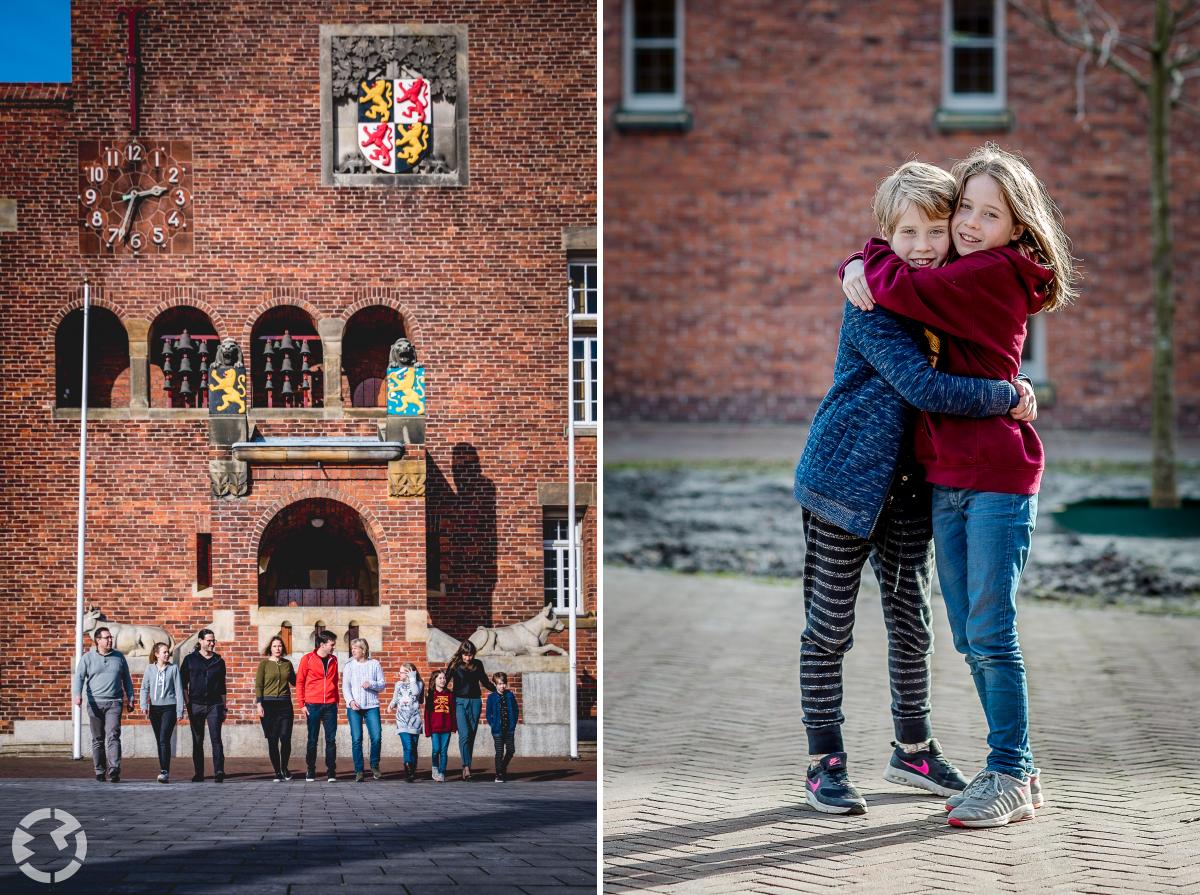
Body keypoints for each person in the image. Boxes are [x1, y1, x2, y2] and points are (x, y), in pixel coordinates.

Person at [840, 143, 1078, 829]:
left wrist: (862, 260)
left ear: (1018, 228)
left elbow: (904, 288)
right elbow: (902, 275)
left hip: (997, 473)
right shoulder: (962, 265)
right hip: (948, 474)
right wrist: (856, 260)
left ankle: (1011, 769)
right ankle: (1013, 767)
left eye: (988, 213)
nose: (970, 224)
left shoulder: (998, 274)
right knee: (973, 636)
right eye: (965, 208)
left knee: (991, 631)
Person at [794, 161, 1037, 816]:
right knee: (829, 625)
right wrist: (1008, 394)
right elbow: (926, 388)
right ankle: (825, 759)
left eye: (936, 230)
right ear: (887, 235)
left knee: (912, 621)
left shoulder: (941, 294)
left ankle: (913, 747)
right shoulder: (873, 304)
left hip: (909, 486)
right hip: (843, 482)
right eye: (907, 233)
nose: (925, 245)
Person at [72, 626, 135, 782]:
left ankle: (114, 769)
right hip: (95, 703)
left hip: (114, 702)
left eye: (110, 637)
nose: (110, 640)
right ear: (98, 640)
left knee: (113, 735)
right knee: (98, 738)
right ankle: (100, 770)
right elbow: (79, 677)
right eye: (106, 638)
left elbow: (126, 678)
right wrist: (77, 694)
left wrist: (131, 697)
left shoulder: (119, 657)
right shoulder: (87, 658)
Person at [181, 628, 228, 783]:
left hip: (215, 705)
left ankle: (219, 771)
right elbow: (183, 684)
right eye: (208, 640)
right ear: (200, 641)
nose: (212, 643)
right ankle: (199, 773)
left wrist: (224, 706)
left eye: (213, 640)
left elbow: (222, 687)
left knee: (216, 739)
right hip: (195, 704)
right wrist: (188, 703)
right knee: (197, 739)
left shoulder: (219, 661)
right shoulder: (189, 660)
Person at [446, 640, 495, 781]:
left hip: (475, 702)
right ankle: (466, 766)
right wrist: (434, 692)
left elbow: (485, 682)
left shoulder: (478, 664)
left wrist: (497, 689)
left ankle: (467, 765)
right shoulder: (455, 664)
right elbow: (444, 680)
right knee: (464, 734)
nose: (468, 658)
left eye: (471, 655)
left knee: (472, 734)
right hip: (459, 702)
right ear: (461, 653)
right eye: (466, 655)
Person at [297, 630, 340, 782]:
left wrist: (336, 701)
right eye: (332, 644)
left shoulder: (334, 660)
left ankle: (331, 772)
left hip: (330, 705)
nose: (334, 647)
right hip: (312, 705)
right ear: (322, 644)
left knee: (331, 739)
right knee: (312, 739)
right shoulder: (307, 659)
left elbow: (335, 682)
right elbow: (300, 682)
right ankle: (310, 770)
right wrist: (302, 704)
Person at [139, 642, 184, 784]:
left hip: (169, 708)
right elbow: (144, 688)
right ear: (157, 654)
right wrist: (143, 705)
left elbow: (179, 689)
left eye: (168, 652)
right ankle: (163, 768)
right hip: (154, 709)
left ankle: (165, 772)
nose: (167, 654)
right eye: (164, 652)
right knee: (160, 740)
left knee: (164, 738)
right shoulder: (149, 669)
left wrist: (179, 710)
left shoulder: (174, 669)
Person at [343, 637, 385, 782]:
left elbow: (382, 685)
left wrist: (371, 684)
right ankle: (359, 770)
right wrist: (351, 701)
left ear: (363, 649)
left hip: (372, 706)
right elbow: (345, 687)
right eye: (352, 648)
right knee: (357, 739)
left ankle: (374, 765)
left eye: (356, 648)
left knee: (377, 737)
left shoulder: (374, 664)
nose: (353, 650)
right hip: (354, 707)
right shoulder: (349, 665)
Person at [255, 635, 297, 782]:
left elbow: (296, 681)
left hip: (285, 705)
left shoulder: (287, 664)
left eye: (279, 646)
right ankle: (277, 772)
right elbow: (259, 685)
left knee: (285, 738)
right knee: (272, 739)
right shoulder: (264, 664)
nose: (277, 648)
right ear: (270, 648)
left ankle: (284, 767)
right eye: (274, 646)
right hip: (268, 705)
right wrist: (259, 704)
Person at [387, 662, 423, 782]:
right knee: (407, 745)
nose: (399, 674)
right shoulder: (398, 684)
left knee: (413, 746)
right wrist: (391, 705)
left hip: (414, 720)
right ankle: (408, 771)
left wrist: (412, 677)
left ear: (408, 673)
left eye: (402, 672)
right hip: (402, 719)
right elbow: (395, 698)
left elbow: (416, 693)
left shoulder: (418, 684)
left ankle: (412, 770)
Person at [485, 672, 519, 782]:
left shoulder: (510, 695)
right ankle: (498, 774)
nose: (502, 686)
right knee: (499, 752)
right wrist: (493, 724)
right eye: (499, 684)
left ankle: (502, 768)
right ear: (495, 684)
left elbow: (516, 709)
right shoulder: (491, 697)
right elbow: (488, 714)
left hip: (509, 729)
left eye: (504, 683)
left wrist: (513, 723)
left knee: (511, 750)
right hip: (497, 730)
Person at [423, 669, 456, 782]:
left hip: (446, 728)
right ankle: (435, 767)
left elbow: (453, 711)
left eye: (444, 678)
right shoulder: (430, 695)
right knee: (436, 749)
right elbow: (427, 714)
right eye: (440, 678)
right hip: (435, 728)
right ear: (434, 680)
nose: (443, 680)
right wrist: (427, 730)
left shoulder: (450, 694)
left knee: (443, 751)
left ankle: (442, 773)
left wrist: (453, 727)